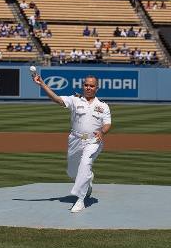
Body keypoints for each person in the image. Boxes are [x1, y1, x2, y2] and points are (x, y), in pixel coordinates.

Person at [32, 75, 112, 213]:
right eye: (86, 85)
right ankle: (88, 180)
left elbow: (107, 123)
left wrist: (102, 132)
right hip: (75, 139)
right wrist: (42, 84)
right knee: (72, 172)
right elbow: (57, 99)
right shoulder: (74, 100)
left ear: (97, 88)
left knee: (85, 163)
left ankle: (80, 199)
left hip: (93, 141)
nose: (88, 87)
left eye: (92, 86)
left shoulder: (103, 106)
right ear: (83, 86)